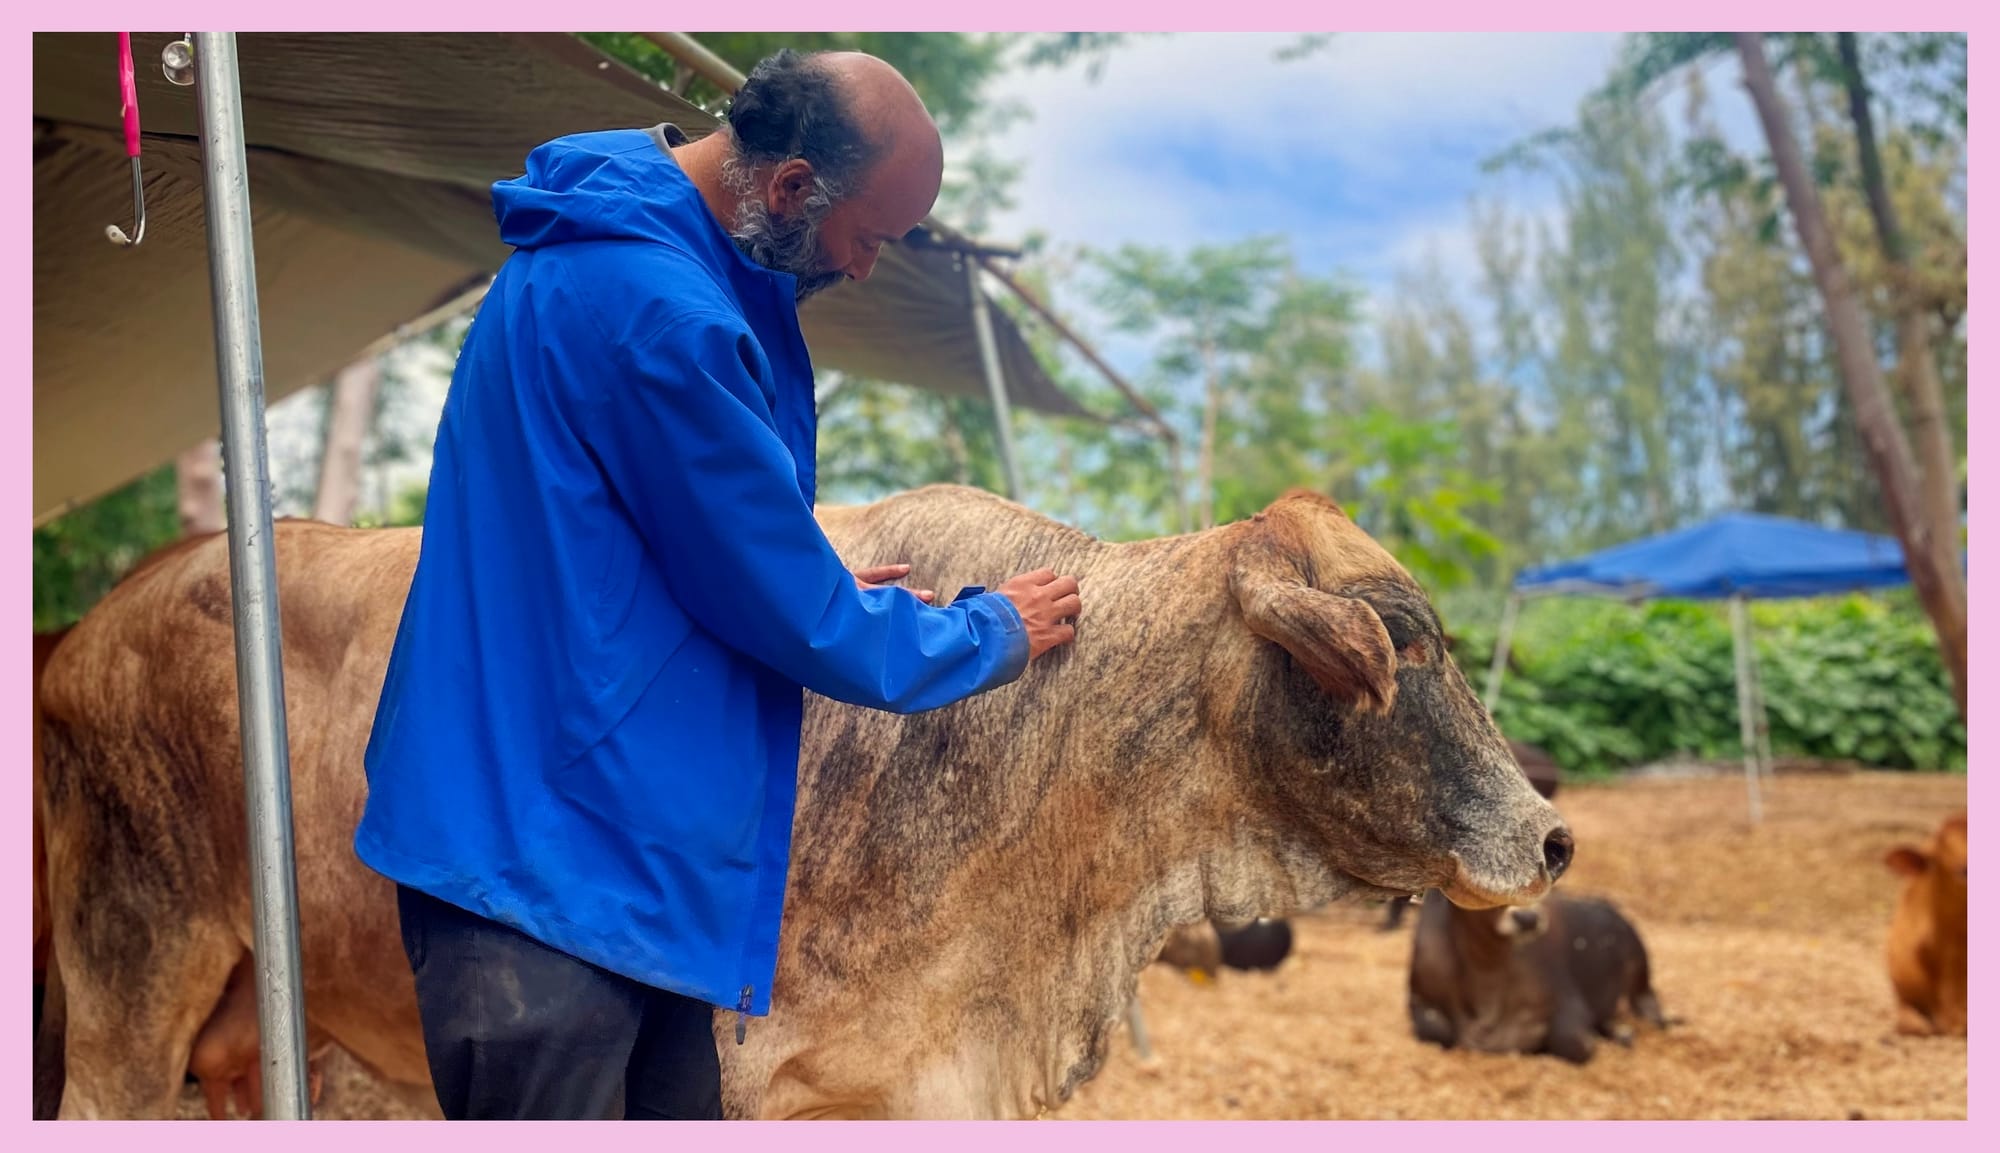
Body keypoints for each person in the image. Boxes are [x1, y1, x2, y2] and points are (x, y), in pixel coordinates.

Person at [353, 48, 1082, 1121]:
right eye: (868, 238)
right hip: (556, 861)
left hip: (586, 846)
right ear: (790, 187)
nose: (868, 267)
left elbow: (610, 536)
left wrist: (786, 567)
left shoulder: (616, 254)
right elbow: (803, 620)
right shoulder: (661, 312)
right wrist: (990, 631)